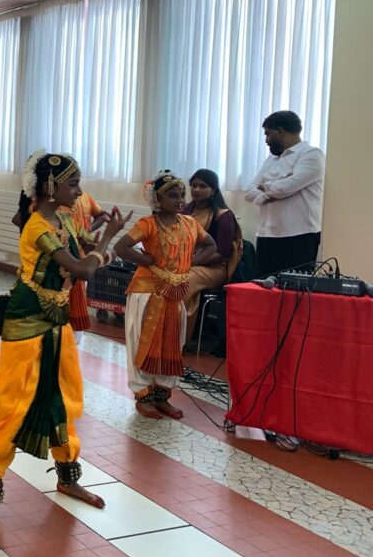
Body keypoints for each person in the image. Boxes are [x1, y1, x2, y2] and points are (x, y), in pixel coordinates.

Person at [0, 152, 132, 530]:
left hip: (57, 321)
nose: (79, 192)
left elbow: (85, 255)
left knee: (65, 400)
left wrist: (102, 241)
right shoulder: (36, 227)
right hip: (27, 323)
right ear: (50, 187)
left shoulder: (65, 221)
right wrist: (108, 237)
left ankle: (67, 478)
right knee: (14, 406)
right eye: (73, 184)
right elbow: (83, 269)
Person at [116, 172, 217, 420]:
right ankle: (143, 396)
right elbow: (121, 247)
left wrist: (190, 262)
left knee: (172, 342)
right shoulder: (148, 224)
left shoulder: (190, 223)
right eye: (173, 195)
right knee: (142, 341)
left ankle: (162, 396)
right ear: (157, 200)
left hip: (174, 293)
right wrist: (146, 261)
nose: (180, 200)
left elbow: (211, 246)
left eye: (182, 195)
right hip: (146, 292)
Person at [245, 111, 325, 278]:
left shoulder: (311, 155)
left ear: (280, 131)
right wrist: (270, 194)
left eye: (268, 134)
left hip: (298, 237)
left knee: (292, 290)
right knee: (263, 287)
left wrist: (266, 187)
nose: (266, 140)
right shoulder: (271, 160)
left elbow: (286, 188)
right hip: (265, 235)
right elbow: (249, 191)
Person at [182, 169, 243, 339]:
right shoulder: (185, 211)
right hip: (187, 262)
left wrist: (192, 261)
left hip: (215, 267)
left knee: (182, 280)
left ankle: (179, 337)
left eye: (203, 186)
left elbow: (222, 253)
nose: (196, 190)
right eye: (194, 185)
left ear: (213, 190)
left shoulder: (223, 216)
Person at [61, 191, 109, 333]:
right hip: (60, 260)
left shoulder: (85, 197)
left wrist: (87, 231)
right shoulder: (53, 202)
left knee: (77, 301)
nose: (77, 190)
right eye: (73, 183)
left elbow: (102, 215)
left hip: (81, 257)